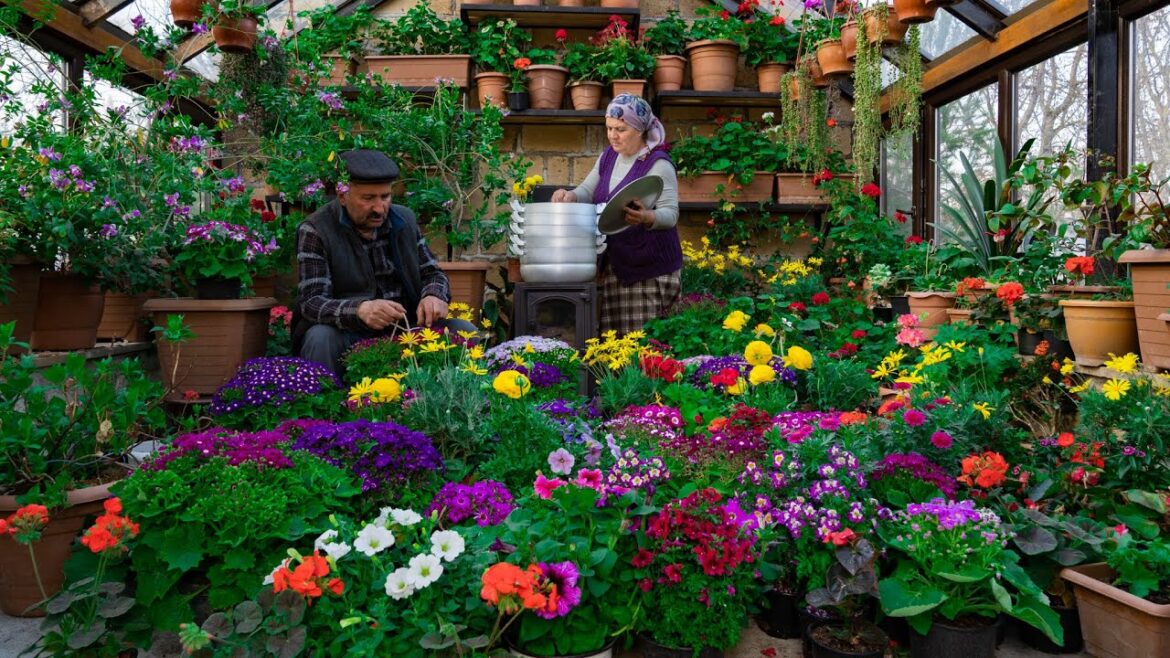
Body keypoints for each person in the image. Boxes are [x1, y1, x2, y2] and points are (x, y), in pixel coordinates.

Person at [294, 149, 473, 375]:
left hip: (407, 328)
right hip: (348, 333)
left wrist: (434, 295)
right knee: (320, 337)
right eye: (368, 198)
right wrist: (360, 310)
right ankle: (325, 407)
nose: (380, 208)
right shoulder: (316, 229)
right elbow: (311, 302)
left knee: (465, 331)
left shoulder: (404, 220)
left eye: (385, 197)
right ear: (342, 194)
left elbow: (432, 273)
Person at [550, 93, 682, 335]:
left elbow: (671, 214)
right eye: (609, 128)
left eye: (620, 129)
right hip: (618, 265)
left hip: (650, 271)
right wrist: (570, 196)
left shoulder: (658, 164)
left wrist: (646, 218)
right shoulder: (609, 157)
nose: (612, 135)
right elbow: (588, 190)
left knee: (644, 348)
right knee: (616, 349)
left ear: (640, 129)